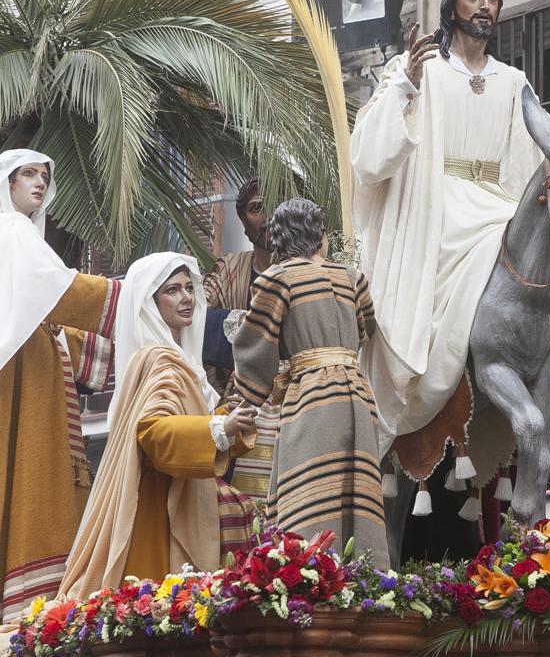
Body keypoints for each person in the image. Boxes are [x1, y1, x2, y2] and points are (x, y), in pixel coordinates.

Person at [350, 0, 550, 527]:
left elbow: (529, 163)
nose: (486, 5)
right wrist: (405, 87)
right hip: (437, 207)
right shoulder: (423, 71)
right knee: (491, 250)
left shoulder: (515, 81)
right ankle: (434, 367)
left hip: (495, 204)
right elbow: (373, 154)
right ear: (452, 5)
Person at [59, 253, 256, 598]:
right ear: (150, 303)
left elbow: (189, 422)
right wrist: (221, 427)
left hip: (180, 500)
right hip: (159, 510)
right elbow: (153, 432)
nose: (186, 298)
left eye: (188, 288)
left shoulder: (177, 359)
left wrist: (228, 419)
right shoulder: (160, 360)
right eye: (172, 291)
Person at [232, 199, 389, 565]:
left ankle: (309, 575)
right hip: (356, 392)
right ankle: (367, 574)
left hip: (311, 397)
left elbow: (255, 342)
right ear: (319, 235)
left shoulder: (277, 279)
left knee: (309, 491)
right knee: (357, 490)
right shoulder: (352, 277)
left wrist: (257, 389)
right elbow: (365, 328)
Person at [0, 149, 120, 618]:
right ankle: (29, 606)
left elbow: (43, 310)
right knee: (33, 467)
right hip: (22, 376)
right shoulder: (12, 232)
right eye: (27, 174)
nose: (39, 183)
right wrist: (126, 298)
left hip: (30, 367)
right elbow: (61, 293)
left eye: (44, 176)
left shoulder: (19, 236)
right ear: (6, 183)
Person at [201, 177, 279, 503]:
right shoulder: (229, 270)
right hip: (241, 408)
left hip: (293, 407)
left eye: (273, 204)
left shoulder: (308, 272)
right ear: (245, 222)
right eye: (257, 208)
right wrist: (250, 337)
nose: (268, 216)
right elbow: (195, 322)